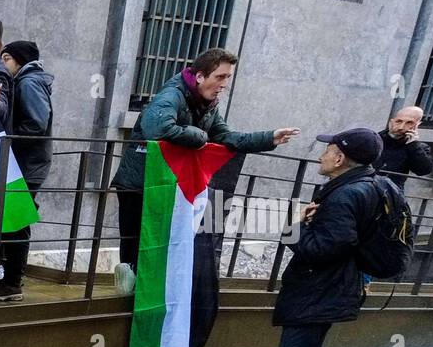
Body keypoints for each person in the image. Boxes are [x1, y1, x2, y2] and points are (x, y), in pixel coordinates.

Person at [240, 127, 383, 347]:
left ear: (340, 157)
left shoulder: (346, 194)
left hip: (319, 293)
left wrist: (296, 228)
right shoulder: (366, 185)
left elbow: (324, 248)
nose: (321, 155)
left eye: (327, 149)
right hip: (332, 290)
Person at [111, 48, 298, 283]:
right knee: (136, 240)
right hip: (140, 183)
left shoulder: (208, 104)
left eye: (228, 77)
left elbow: (227, 137)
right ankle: (130, 289)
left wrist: (269, 138)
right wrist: (199, 137)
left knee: (158, 242)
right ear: (200, 76)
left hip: (167, 183)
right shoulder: (171, 95)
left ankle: (146, 288)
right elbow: (157, 129)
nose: (224, 84)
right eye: (220, 77)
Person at [0, 39, 53, 300]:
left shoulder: (29, 82)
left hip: (27, 165)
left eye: (6, 59)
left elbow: (37, 123)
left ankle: (12, 283)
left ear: (18, 60)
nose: (3, 63)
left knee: (16, 222)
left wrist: (8, 136)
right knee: (12, 221)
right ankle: (8, 278)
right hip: (27, 163)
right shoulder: (28, 80)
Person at [376, 106, 433, 192]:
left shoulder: (418, 148)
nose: (401, 127)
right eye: (398, 121)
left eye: (409, 123)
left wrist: (413, 145)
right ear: (391, 122)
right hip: (363, 189)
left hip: (390, 194)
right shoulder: (374, 139)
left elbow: (423, 170)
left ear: (417, 125)